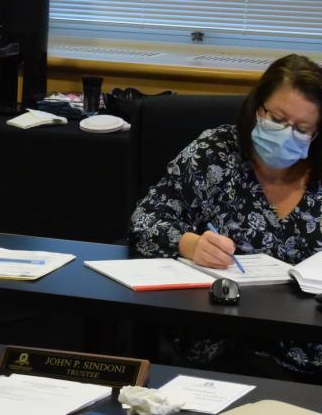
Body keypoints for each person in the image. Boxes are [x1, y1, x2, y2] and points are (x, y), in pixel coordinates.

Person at [129, 54, 322, 380]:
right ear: (257, 107)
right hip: (229, 339)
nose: (287, 134)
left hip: (311, 344)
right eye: (278, 119)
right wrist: (191, 245)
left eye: (302, 129)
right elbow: (145, 220)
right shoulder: (215, 153)